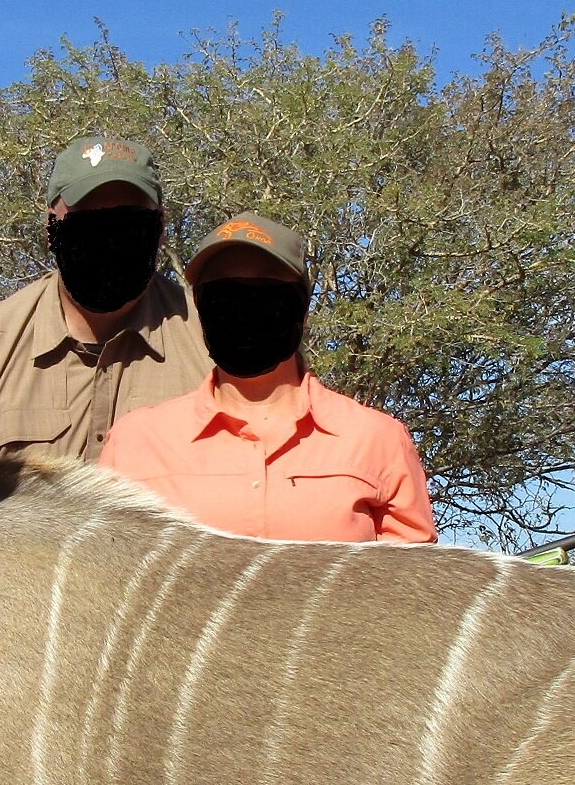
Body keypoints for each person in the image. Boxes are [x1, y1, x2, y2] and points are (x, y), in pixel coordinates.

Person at [0, 134, 211, 514]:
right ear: (51, 228)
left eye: (129, 222)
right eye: (88, 223)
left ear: (159, 227)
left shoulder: (215, 342)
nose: (110, 241)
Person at [98, 212, 435, 542]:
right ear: (201, 308)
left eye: (266, 290)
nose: (243, 309)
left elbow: (413, 588)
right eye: (223, 293)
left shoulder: (380, 440)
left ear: (301, 309)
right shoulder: (134, 443)